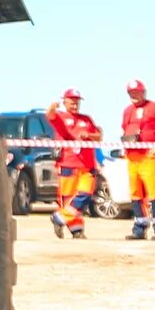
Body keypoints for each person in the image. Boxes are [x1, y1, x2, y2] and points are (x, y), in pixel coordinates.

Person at [120, 80, 155, 241]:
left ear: (143, 92)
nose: (134, 96)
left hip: (148, 157)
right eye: (131, 93)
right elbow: (124, 129)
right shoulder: (128, 111)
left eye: (137, 92)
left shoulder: (154, 108)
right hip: (132, 158)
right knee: (136, 194)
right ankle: (139, 228)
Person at [47, 90, 102, 239]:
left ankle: (59, 218)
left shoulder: (86, 119)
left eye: (77, 101)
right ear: (64, 102)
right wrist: (52, 107)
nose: (75, 104)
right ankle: (76, 230)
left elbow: (99, 136)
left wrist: (89, 135)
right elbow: (50, 116)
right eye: (71, 101)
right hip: (67, 164)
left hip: (87, 165)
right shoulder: (61, 117)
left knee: (85, 194)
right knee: (68, 199)